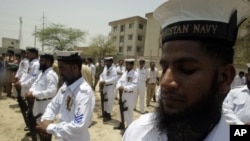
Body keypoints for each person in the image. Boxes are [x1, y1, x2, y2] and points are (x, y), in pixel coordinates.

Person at [122, 0, 250, 140]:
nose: (165, 83)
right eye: (164, 69)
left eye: (186, 69)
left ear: (224, 78)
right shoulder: (137, 132)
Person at [36, 50, 95, 141]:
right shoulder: (65, 86)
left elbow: (78, 126)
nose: (59, 72)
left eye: (62, 68)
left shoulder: (84, 92)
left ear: (75, 68)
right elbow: (53, 105)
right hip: (62, 137)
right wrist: (47, 119)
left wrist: (50, 128)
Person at [25, 53, 59, 141]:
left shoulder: (51, 74)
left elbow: (52, 91)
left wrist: (34, 94)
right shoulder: (42, 73)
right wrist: (30, 91)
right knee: (38, 129)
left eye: (41, 61)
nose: (39, 62)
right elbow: (35, 84)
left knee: (45, 132)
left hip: (46, 105)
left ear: (48, 62)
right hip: (38, 105)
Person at [114, 59, 138, 129]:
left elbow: (134, 85)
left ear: (132, 65)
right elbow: (119, 81)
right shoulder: (125, 73)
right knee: (122, 109)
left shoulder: (135, 74)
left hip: (130, 95)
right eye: (126, 65)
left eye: (127, 65)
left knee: (129, 111)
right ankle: (122, 124)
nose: (126, 66)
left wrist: (124, 87)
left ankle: (129, 127)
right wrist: (119, 86)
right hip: (123, 94)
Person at [99, 57, 118, 122]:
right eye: (106, 61)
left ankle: (108, 114)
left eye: (108, 62)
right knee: (105, 100)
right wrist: (101, 80)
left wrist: (106, 81)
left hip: (110, 86)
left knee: (110, 101)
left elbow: (115, 78)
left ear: (111, 62)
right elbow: (101, 75)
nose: (106, 63)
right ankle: (104, 112)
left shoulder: (114, 69)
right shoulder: (105, 68)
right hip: (105, 86)